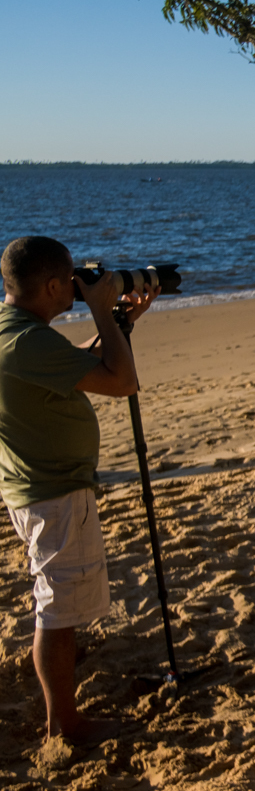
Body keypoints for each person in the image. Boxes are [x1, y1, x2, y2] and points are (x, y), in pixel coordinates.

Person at [0, 236, 157, 746]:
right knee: (58, 613)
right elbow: (122, 381)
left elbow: (74, 366)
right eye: (69, 280)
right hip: (54, 495)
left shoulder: (16, 332)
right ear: (50, 285)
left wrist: (121, 321)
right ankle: (64, 726)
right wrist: (100, 312)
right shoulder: (27, 341)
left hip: (34, 486)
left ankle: (61, 714)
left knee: (57, 604)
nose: (75, 285)